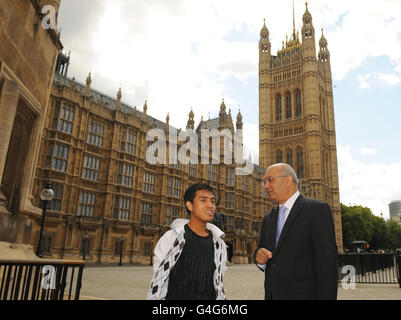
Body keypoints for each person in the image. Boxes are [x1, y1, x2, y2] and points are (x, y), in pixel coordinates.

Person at [255, 163, 338, 300]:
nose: (266, 186)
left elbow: (327, 266)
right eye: (264, 182)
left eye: (270, 180)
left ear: (287, 180)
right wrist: (259, 257)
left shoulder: (317, 211)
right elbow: (263, 252)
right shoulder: (268, 218)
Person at [147, 183, 227, 300]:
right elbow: (159, 279)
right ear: (189, 205)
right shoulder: (171, 239)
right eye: (203, 200)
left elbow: (218, 283)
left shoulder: (219, 244)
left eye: (213, 201)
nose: (210, 205)